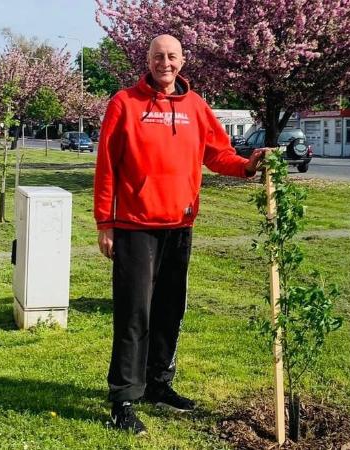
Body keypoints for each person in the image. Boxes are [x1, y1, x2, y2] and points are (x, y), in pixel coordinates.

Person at [93, 34, 264, 435]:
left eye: (171, 56)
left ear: (182, 61)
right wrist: (105, 223)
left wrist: (247, 166)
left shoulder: (196, 106)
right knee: (135, 313)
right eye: (157, 56)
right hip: (135, 227)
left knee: (170, 310)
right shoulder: (124, 103)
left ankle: (159, 384)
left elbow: (217, 153)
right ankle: (123, 398)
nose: (164, 63)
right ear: (147, 60)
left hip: (180, 226)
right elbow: (106, 165)